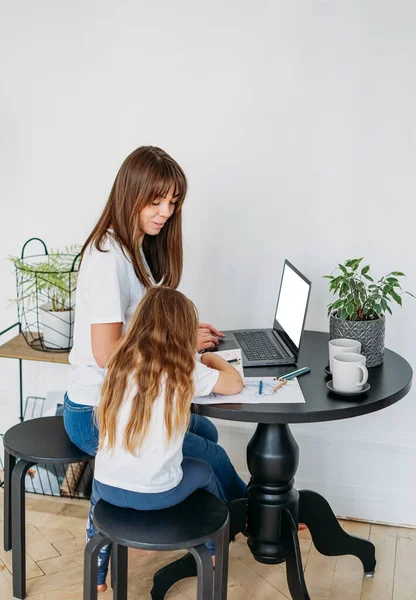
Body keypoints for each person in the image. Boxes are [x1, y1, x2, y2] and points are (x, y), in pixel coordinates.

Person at [64, 145, 247, 503]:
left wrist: (179, 334)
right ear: (131, 194)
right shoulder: (106, 259)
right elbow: (106, 355)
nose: (167, 213)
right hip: (96, 413)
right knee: (214, 456)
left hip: (127, 401)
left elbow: (140, 331)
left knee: (206, 430)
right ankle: (256, 520)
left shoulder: (135, 247)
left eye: (173, 203)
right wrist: (177, 346)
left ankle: (185, 516)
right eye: (156, 202)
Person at [89, 286, 244, 590]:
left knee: (96, 496)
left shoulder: (119, 364)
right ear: (184, 332)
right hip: (156, 493)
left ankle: (97, 574)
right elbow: (234, 384)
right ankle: (214, 549)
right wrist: (211, 361)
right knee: (205, 471)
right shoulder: (183, 370)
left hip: (106, 488)